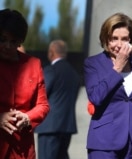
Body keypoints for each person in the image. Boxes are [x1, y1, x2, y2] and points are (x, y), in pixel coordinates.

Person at [83, 12, 132, 158]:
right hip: (104, 144)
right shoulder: (92, 64)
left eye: (124, 39)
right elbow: (96, 97)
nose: (119, 45)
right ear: (106, 39)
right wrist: (117, 67)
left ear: (131, 40)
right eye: (114, 39)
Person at [0, 9, 50, 159]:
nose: (8, 46)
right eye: (2, 39)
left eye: (13, 41)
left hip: (22, 150)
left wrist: (28, 117)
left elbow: (43, 105)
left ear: (20, 41)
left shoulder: (33, 65)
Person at [35, 40, 80, 159]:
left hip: (49, 126)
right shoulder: (74, 73)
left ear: (51, 53)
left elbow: (41, 94)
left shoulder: (51, 70)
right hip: (67, 126)